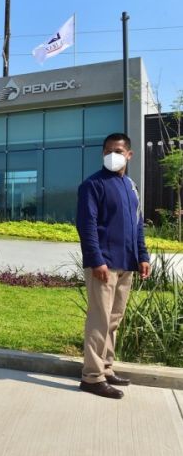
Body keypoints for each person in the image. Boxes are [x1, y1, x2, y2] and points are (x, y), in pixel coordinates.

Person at [76, 132, 150, 399]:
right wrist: (96, 260)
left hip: (126, 263)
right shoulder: (92, 185)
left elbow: (137, 226)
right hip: (104, 265)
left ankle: (105, 368)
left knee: (114, 320)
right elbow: (87, 226)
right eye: (108, 150)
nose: (112, 155)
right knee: (100, 318)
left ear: (129, 154)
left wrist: (143, 256)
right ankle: (92, 377)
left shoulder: (131, 187)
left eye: (118, 151)